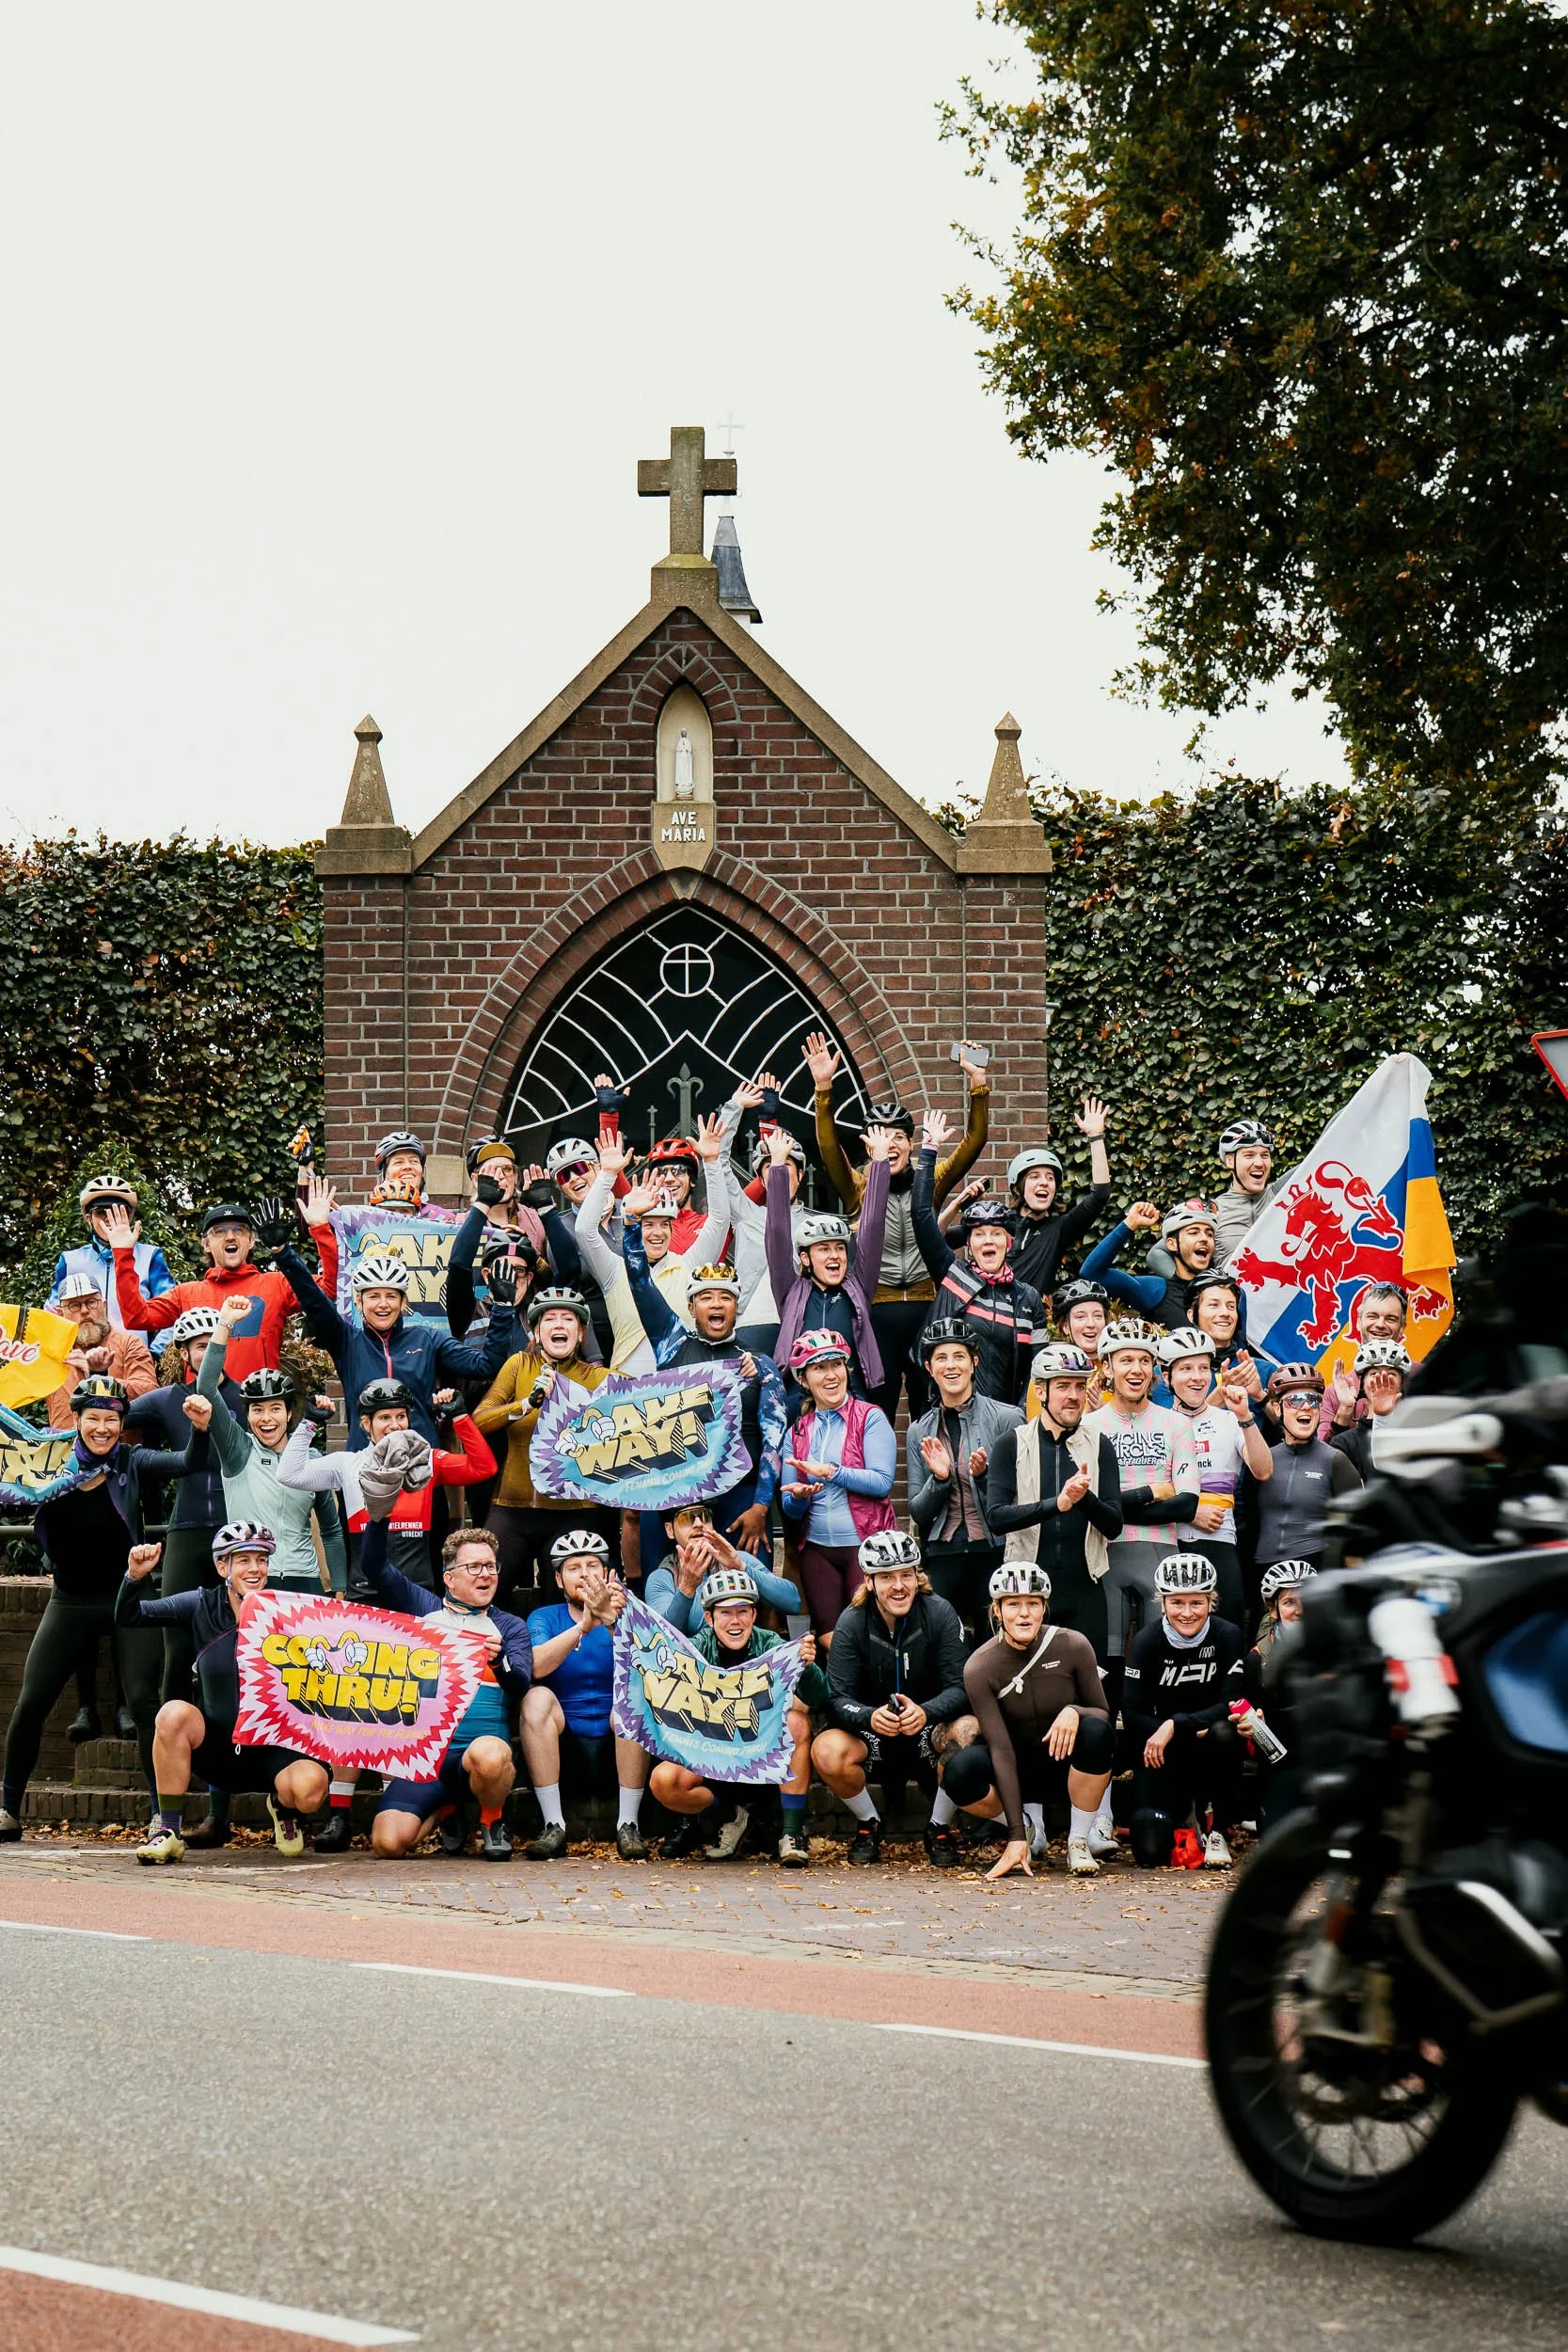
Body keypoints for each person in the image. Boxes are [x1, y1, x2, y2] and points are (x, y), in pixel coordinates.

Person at [0, 1375, 206, 1839]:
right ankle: (8, 1808)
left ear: (121, 1424)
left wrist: (200, 1428)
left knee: (145, 1702)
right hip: (69, 1600)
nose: (102, 1427)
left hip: (126, 1599)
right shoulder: (50, 1463)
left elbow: (188, 1462)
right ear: (76, 1420)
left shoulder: (132, 1462)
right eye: (92, 1418)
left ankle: (161, 1816)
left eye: (111, 1419)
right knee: (31, 1702)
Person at [804, 1031, 990, 1426]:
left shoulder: (932, 1178)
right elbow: (827, 1151)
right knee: (879, 1411)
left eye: (898, 1138)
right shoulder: (859, 1187)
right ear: (868, 1144)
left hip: (927, 1305)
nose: (890, 1145)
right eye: (880, 1136)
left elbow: (975, 1143)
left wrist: (977, 1084)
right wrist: (823, 1091)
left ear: (910, 1143)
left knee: (931, 1412)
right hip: (877, 1311)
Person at [119, 1521, 331, 1865]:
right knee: (172, 1714)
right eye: (243, 1560)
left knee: (310, 1790)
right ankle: (168, 1832)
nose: (254, 1569)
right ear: (223, 1567)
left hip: (275, 1749)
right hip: (219, 1744)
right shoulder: (201, 1603)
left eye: (261, 1560)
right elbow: (130, 1615)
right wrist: (135, 1577)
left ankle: (282, 1805)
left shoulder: (291, 1608)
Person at [123, 1307, 246, 1843]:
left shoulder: (242, 1397)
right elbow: (112, 1419)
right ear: (181, 1353)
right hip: (186, 1532)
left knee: (236, 1663)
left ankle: (219, 1810)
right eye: (192, 1346)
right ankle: (165, 1806)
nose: (202, 1353)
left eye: (208, 1345)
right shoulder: (164, 1401)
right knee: (176, 1658)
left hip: (238, 1532)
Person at [357, 1512, 531, 1861]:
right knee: (388, 1844)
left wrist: (499, 1662)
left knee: (492, 1756)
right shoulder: (425, 1610)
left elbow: (521, 1685)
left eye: (491, 1566)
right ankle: (444, 1809)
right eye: (475, 1567)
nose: (486, 1574)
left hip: (479, 1756)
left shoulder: (510, 1626)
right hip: (426, 1760)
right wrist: (378, 1518)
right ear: (449, 1578)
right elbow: (376, 1567)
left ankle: (491, 1820)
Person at [810, 1530, 976, 1867]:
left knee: (968, 1730)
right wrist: (869, 1716)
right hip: (873, 1735)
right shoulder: (852, 1621)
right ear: (869, 1582)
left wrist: (926, 1712)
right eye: (886, 1577)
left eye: (906, 1574)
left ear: (918, 1576)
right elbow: (836, 1696)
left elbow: (961, 1687)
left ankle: (938, 1827)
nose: (898, 1586)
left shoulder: (940, 1613)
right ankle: (869, 1823)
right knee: (825, 1750)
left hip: (928, 1730)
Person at [648, 1563, 830, 1866]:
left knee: (797, 1722)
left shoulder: (770, 1643)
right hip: (712, 1755)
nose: (735, 1620)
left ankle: (792, 1833)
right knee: (663, 1780)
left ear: (754, 1615)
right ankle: (731, 1819)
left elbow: (820, 1698)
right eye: (725, 1612)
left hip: (760, 1753)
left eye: (743, 1611)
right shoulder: (696, 1648)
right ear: (709, 1618)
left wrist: (808, 1668)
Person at [618, 1246, 786, 1570]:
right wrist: (631, 1224)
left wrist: (761, 1507)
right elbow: (640, 1282)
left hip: (740, 1496)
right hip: (676, 1494)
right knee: (666, 1589)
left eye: (725, 1298)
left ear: (736, 1306)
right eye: (706, 1297)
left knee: (746, 1589)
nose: (716, 1304)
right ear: (692, 1307)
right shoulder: (672, 1345)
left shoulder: (761, 1365)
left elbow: (773, 1443)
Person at [276, 1229, 518, 1450]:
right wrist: (283, 1253)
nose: (383, 1304)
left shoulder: (427, 1339)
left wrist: (503, 1307)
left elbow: (486, 1364)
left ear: (403, 1303)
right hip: (365, 1466)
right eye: (374, 1296)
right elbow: (314, 1300)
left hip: (420, 1466)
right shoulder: (346, 1341)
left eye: (391, 1296)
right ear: (359, 1303)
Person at [945, 1564, 1117, 1876]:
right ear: (997, 1610)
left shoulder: (1073, 1644)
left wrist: (1074, 1711)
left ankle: (1077, 1842)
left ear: (1044, 1607)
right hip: (1017, 1768)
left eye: (1033, 1604)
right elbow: (1000, 1749)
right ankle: (1026, 1830)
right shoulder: (979, 1667)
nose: (1024, 1614)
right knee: (957, 1770)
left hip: (1065, 1766)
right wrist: (1014, 1835)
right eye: (1013, 1604)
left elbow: (1103, 1712)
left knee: (1096, 1731)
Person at [105, 1183, 340, 1379]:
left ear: (251, 1241)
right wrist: (123, 1254)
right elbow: (137, 1317)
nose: (230, 1236)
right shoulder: (186, 1293)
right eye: (219, 1231)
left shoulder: (278, 1284)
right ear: (206, 1244)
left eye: (239, 1230)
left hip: (260, 1412)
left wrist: (320, 1229)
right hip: (203, 1412)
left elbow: (328, 1291)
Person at [471, 1286, 615, 1604]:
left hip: (575, 1511)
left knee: (570, 1607)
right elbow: (479, 1419)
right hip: (513, 1507)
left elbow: (651, 1401)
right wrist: (525, 1404)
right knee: (483, 1593)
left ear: (580, 1335)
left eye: (568, 1319)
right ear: (536, 1332)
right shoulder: (519, 1364)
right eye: (550, 1319)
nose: (559, 1324)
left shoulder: (598, 1377)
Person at [195, 1296, 348, 1593]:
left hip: (305, 1580)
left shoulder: (312, 1458)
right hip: (252, 1581)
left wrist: (340, 1588)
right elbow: (206, 1388)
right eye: (257, 1410)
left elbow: (331, 1531)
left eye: (275, 1408)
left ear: (290, 1413)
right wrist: (224, 1323)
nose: (266, 1419)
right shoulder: (238, 1449)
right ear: (247, 1415)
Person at [986, 1343, 1124, 1670]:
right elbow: (996, 1517)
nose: (1073, 1395)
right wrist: (1057, 1504)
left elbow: (1114, 1524)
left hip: (1085, 1588)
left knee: (1092, 1690)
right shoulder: (1012, 1442)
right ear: (1041, 1391)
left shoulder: (1100, 1443)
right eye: (1062, 1386)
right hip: (1026, 1590)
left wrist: (1083, 1498)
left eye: (1079, 1385)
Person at [519, 1529, 652, 1861]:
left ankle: (629, 1823)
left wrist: (609, 1620)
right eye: (574, 1568)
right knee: (534, 1699)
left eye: (592, 1565)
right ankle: (553, 1824)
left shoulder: (630, 1611)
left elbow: (650, 1667)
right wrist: (584, 1626)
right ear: (559, 1579)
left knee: (632, 1697)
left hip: (620, 1744)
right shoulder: (544, 1616)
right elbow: (536, 1667)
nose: (584, 1574)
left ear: (606, 1574)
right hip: (565, 1747)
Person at [1084, 1321, 1201, 1689]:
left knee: (1159, 1664)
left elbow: (1186, 1505)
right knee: (1109, 1667)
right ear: (1107, 1367)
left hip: (1162, 1554)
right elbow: (1089, 1504)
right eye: (1125, 1360)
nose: (1136, 1369)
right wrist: (1154, 1490)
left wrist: (1113, 1508)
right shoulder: (1088, 1425)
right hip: (1106, 1557)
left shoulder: (1176, 1423)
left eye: (1145, 1360)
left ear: (1154, 1368)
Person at [912, 1113, 1049, 1403]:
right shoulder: (953, 1274)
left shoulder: (1028, 1299)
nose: (988, 1240)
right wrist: (929, 1149)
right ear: (969, 1245)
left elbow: (1038, 1369)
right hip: (947, 1411)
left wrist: (1022, 1417)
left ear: (1008, 1242)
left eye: (996, 1234)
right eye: (979, 1234)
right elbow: (922, 1214)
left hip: (1005, 1418)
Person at [1121, 1552, 1245, 1868]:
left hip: (1208, 1743)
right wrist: (1171, 1729)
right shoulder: (1147, 1641)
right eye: (1177, 1603)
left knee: (1224, 1731)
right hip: (1164, 1750)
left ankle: (1218, 1831)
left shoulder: (1227, 1635)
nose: (1187, 1613)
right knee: (1150, 1853)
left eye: (1196, 1603)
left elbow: (1230, 1705)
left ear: (1210, 1602)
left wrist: (1176, 1723)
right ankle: (1185, 1816)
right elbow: (1132, 1713)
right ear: (1162, 1603)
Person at [573, 1123, 731, 1370]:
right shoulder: (615, 1270)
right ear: (635, 1228)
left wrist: (711, 1161)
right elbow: (584, 1230)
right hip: (628, 1388)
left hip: (683, 1387)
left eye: (663, 1225)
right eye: (648, 1225)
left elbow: (720, 1220)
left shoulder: (687, 1265)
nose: (657, 1233)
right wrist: (607, 1174)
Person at [906, 1319, 1022, 1639]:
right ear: (929, 1368)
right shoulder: (919, 1430)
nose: (951, 1365)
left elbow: (1021, 1500)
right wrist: (940, 1480)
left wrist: (984, 1478)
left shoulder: (1007, 1418)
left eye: (959, 1356)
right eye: (941, 1358)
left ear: (974, 1362)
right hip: (943, 1553)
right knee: (940, 1646)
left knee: (999, 1644)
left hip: (994, 1551)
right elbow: (917, 1510)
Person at [779, 1330, 896, 1635]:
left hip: (866, 1545)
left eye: (836, 1365)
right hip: (817, 1550)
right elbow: (790, 1510)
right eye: (819, 1368)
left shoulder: (870, 1417)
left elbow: (882, 1482)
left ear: (847, 1369)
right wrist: (801, 1496)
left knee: (868, 1638)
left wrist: (831, 1471)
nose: (831, 1375)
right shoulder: (798, 1432)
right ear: (803, 1380)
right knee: (830, 1642)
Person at [766, 1122, 895, 1396]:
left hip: (851, 1394)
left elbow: (872, 1227)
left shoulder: (857, 1286)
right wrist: (777, 1167)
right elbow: (777, 1233)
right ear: (805, 1258)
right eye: (823, 1249)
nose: (835, 1255)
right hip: (798, 1397)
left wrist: (880, 1162)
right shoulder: (790, 1290)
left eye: (839, 1248)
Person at [1159, 1325, 1273, 1631]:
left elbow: (1263, 1471)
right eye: (1185, 1369)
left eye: (1203, 1368)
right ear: (1166, 1376)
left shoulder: (1227, 1420)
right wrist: (1190, 1511)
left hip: (1220, 1540)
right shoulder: (1157, 1422)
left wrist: (1245, 1417)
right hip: (1169, 1542)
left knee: (1229, 1633)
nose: (1196, 1377)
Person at [1252, 1362, 1361, 1570]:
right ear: (1277, 1408)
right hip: (1264, 1570)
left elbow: (1356, 1531)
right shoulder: (1263, 1459)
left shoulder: (1335, 1460)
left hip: (1317, 1570)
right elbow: (1249, 1519)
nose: (1306, 1406)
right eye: (1295, 1400)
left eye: (1313, 1400)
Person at [1006, 1095, 1113, 1298]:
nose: (1044, 1182)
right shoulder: (999, 1221)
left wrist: (1096, 1138)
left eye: (1050, 1178)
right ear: (1017, 1189)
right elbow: (940, 1240)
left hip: (1032, 1321)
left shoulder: (1059, 1228)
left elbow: (1100, 1195)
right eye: (1034, 1177)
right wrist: (956, 1205)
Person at [644, 1502, 802, 1632]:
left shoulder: (736, 1559)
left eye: (705, 1516)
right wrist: (687, 1588)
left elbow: (792, 1602)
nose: (698, 1524)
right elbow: (662, 1636)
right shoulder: (663, 1577)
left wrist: (742, 1568)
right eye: (686, 1519)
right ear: (670, 1530)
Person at [48, 1173, 175, 1330]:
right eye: (101, 1212)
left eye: (119, 1211)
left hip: (137, 1353)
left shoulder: (150, 1256)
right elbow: (52, 1314)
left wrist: (155, 1353)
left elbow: (170, 1311)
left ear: (130, 1216)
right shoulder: (69, 1260)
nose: (110, 1218)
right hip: (83, 1353)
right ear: (88, 1218)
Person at [1243, 1559, 1316, 1824]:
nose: (1299, 1610)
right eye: (1289, 1602)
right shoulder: (1258, 1657)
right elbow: (1253, 1712)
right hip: (1279, 1747)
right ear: (1273, 1609)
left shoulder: (1334, 1646)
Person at [1079, 1198, 1221, 1329]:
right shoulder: (1156, 1290)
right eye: (1193, 1233)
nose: (1204, 1238)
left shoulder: (1225, 1291)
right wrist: (1130, 1224)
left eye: (1209, 1234)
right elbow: (1092, 1272)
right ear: (1171, 1244)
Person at [41, 1274, 156, 1426]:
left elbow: (150, 1394)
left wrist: (97, 1378)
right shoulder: (52, 1354)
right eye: (74, 1305)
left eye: (91, 1302)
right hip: (66, 1448)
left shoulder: (129, 1344)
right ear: (61, 1313)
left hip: (121, 1446)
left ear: (104, 1305)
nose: (84, 1311)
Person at [1318, 1285, 1409, 1438]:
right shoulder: (1336, 1391)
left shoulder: (1422, 1378)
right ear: (1359, 1321)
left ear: (1402, 1327)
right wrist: (1344, 1411)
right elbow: (1323, 1457)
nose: (1380, 1324)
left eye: (1391, 1319)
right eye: (1372, 1316)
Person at [1326, 1339, 1412, 1479]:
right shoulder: (1344, 1443)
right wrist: (1345, 1409)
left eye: (1391, 1374)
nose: (1382, 1379)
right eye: (1374, 1374)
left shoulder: (1416, 1436)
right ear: (1362, 1384)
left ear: (1402, 1385)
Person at [1211, 1118, 1281, 1261]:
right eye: (1249, 1155)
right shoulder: (1213, 1210)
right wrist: (1199, 1282)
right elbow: (1158, 1253)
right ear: (1230, 1161)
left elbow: (1325, 1147)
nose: (1259, 1163)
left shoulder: (1283, 1192)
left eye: (1265, 1155)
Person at [1049, 1277, 1110, 1357]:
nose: (1091, 1324)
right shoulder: (1053, 1364)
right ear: (1065, 1326)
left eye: (1098, 1316)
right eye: (1080, 1317)